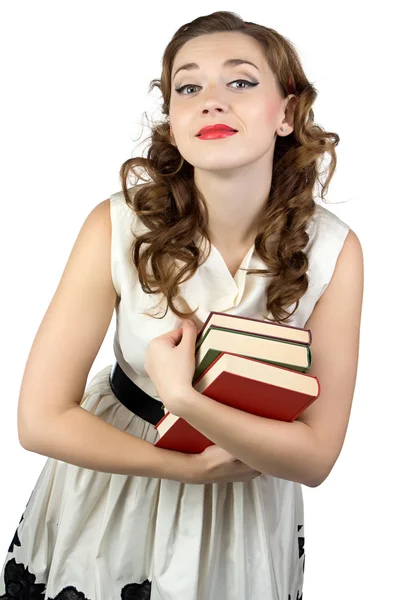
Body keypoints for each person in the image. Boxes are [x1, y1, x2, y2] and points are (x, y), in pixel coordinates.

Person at [0, 10, 363, 600]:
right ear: (172, 119)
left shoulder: (333, 250)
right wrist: (185, 466)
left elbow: (316, 458)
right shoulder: (116, 225)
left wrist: (184, 398)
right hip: (113, 492)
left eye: (241, 82)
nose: (211, 102)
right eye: (188, 87)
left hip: (242, 517)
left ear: (287, 113)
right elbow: (38, 419)